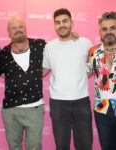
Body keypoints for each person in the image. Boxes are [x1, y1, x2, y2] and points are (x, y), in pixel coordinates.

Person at [43, 8, 93, 150]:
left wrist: (82, 75)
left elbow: (94, 65)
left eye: (65, 21)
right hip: (58, 103)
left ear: (71, 22)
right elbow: (45, 70)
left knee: (85, 145)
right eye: (58, 22)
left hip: (81, 101)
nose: (62, 25)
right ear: (54, 25)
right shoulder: (49, 47)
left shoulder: (85, 43)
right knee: (61, 145)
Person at [0, 17, 46, 150]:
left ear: (25, 29)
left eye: (20, 27)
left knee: (34, 146)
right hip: (11, 110)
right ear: (9, 32)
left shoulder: (40, 45)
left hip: (35, 108)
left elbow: (56, 53)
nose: (18, 30)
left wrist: (72, 37)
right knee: (14, 146)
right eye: (14, 28)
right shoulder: (4, 53)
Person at [87, 12, 116, 150]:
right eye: (105, 29)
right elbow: (84, 73)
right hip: (102, 109)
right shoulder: (94, 51)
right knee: (107, 146)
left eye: (113, 27)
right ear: (100, 31)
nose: (108, 32)